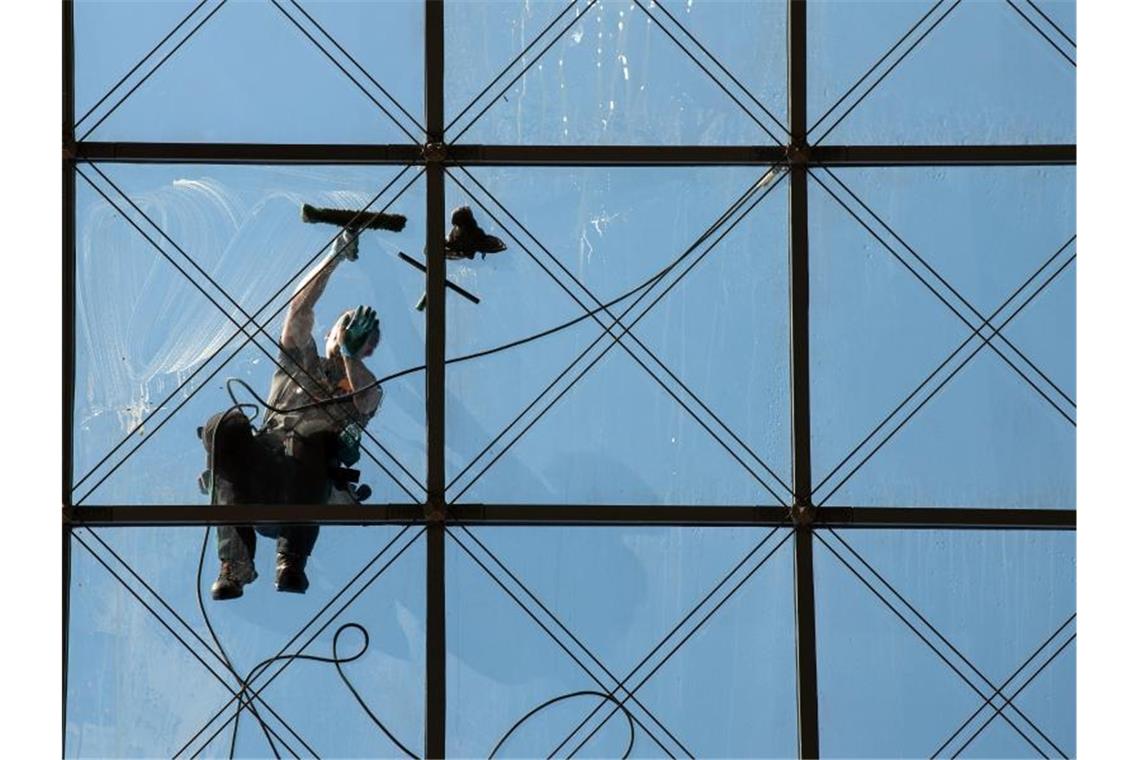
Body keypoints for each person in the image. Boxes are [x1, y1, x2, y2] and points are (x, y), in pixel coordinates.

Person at [206, 230, 383, 600]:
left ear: (366, 351)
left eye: (358, 337)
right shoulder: (299, 362)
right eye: (343, 326)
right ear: (332, 330)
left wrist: (349, 359)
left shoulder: (362, 384)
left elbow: (367, 400)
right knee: (224, 425)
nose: (346, 335)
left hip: (305, 483)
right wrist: (333, 258)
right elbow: (299, 310)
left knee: (313, 433)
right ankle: (235, 565)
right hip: (263, 471)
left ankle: (291, 559)